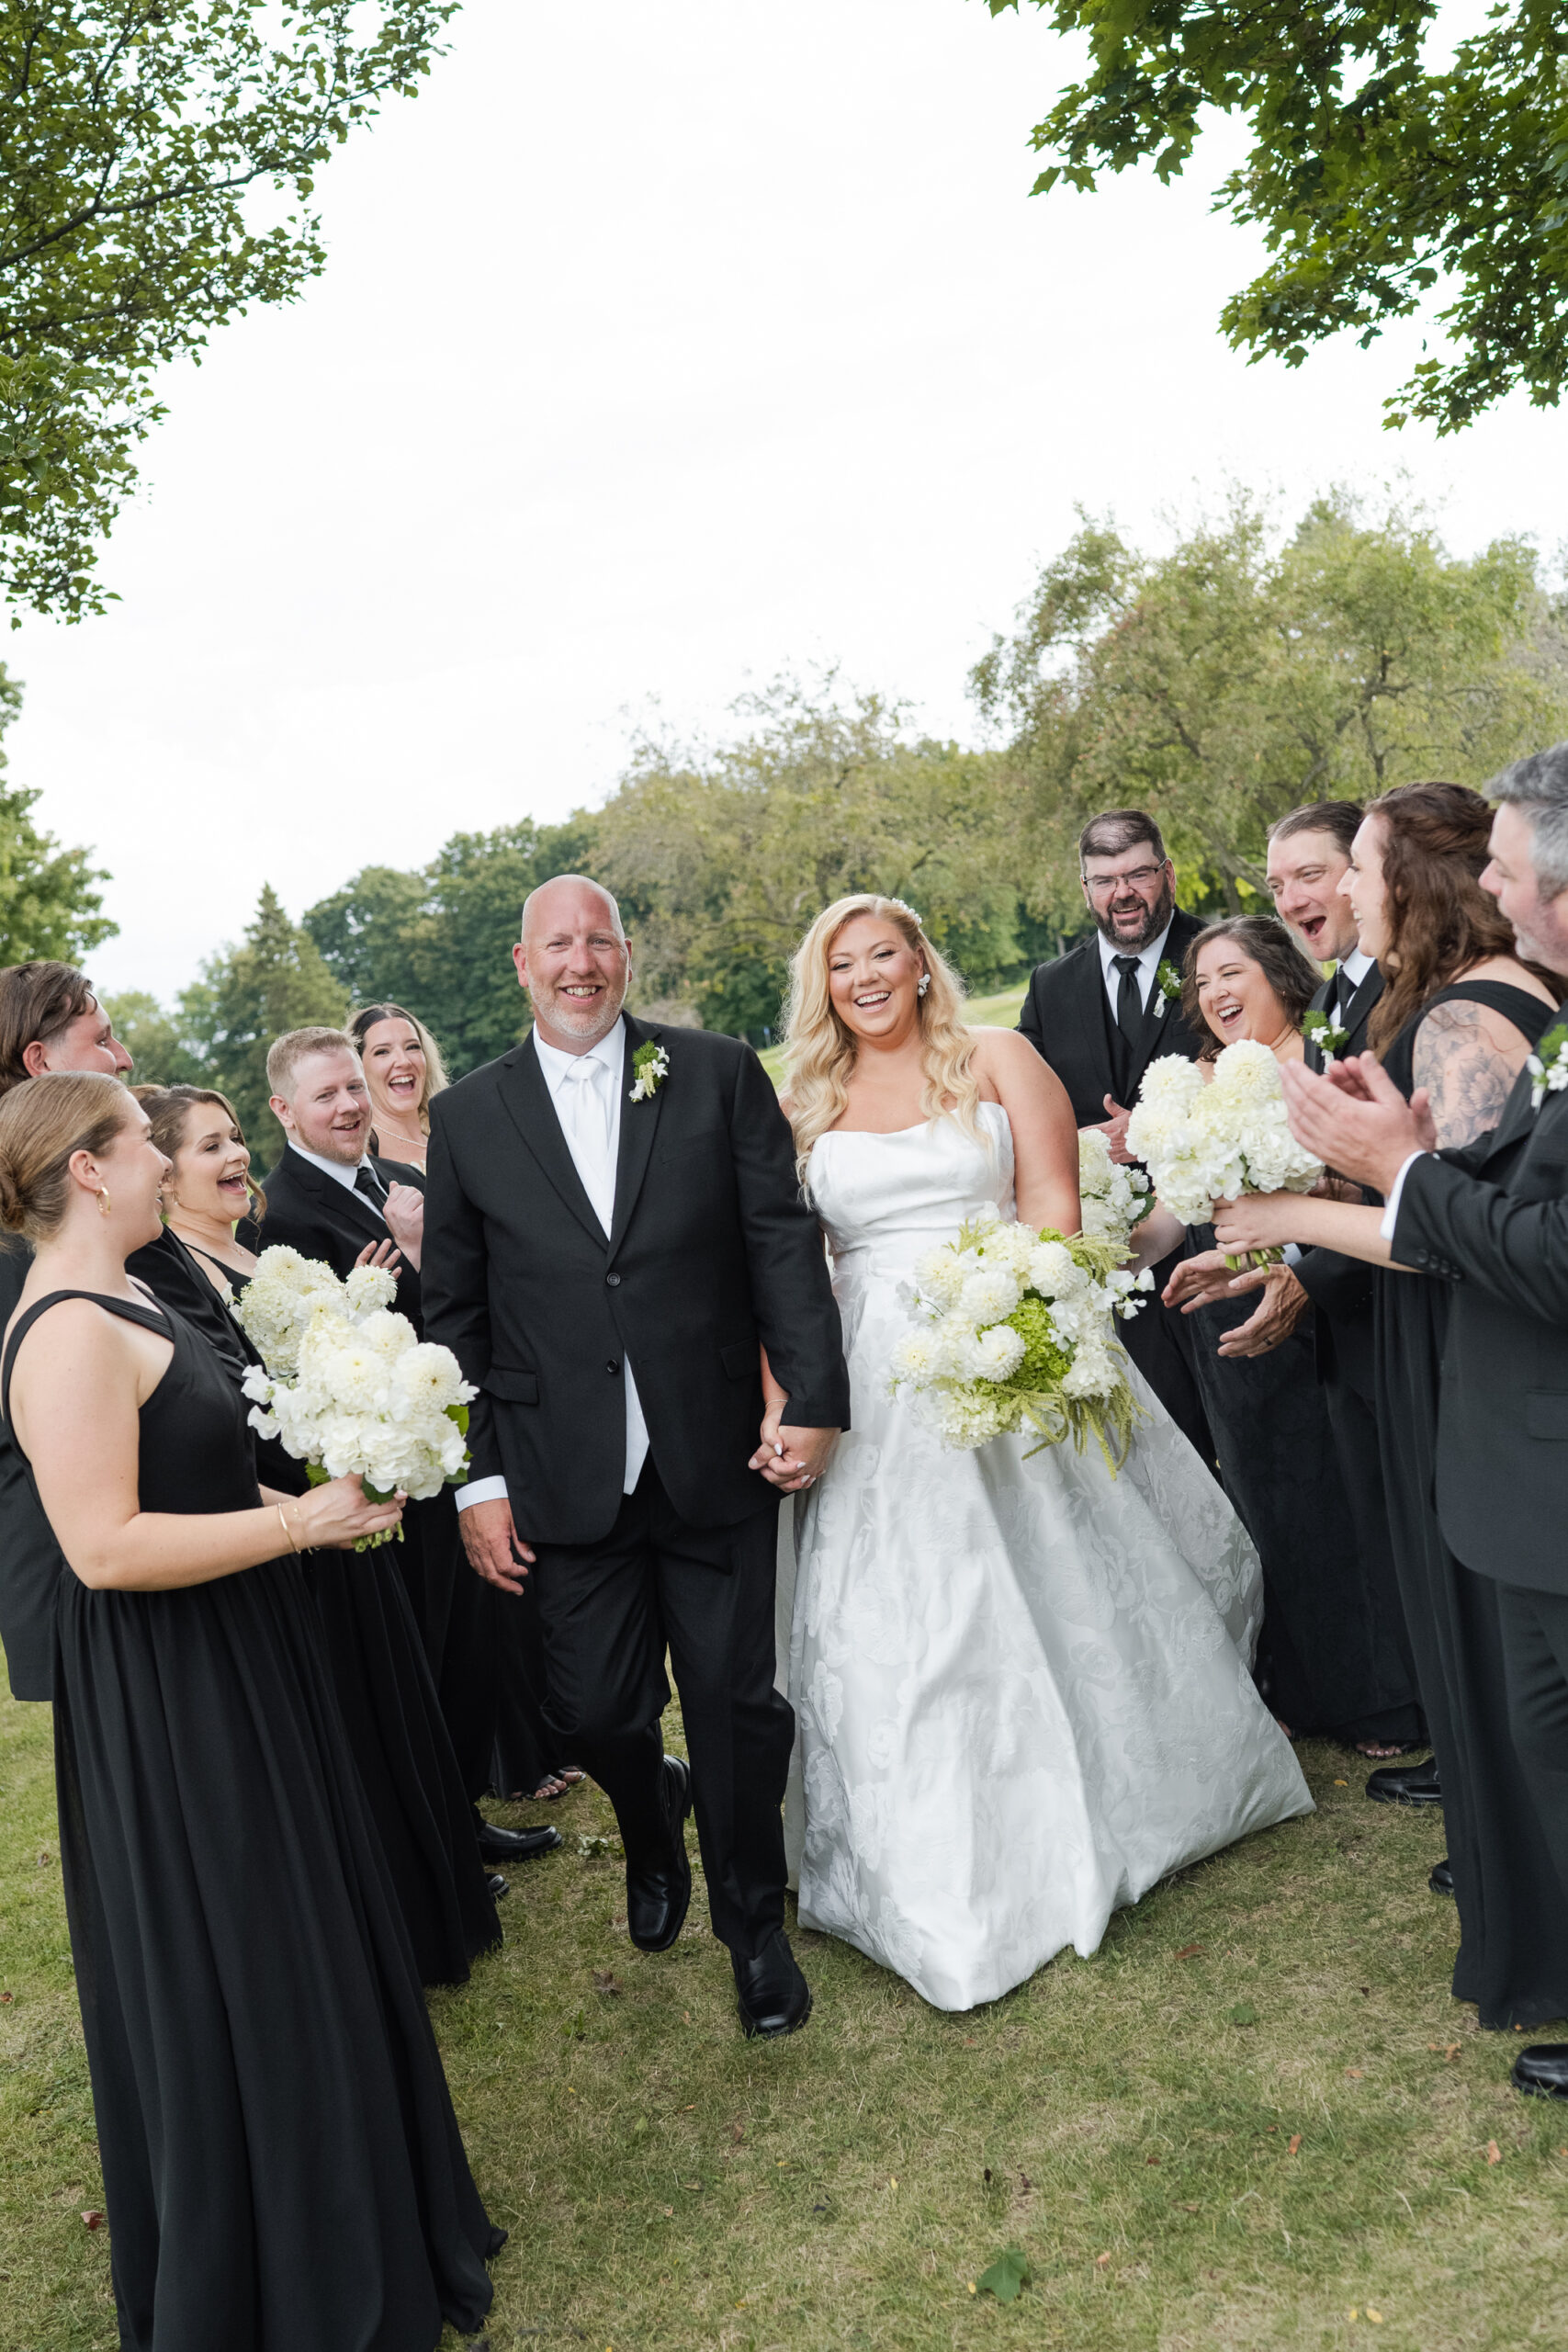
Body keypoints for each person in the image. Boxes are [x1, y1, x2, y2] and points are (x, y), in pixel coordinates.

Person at [0, 1072, 502, 2349]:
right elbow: (102, 1549)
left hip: (241, 1651)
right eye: (138, 1144)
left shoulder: (131, 1288)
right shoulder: (62, 1328)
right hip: (171, 1696)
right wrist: (300, 1524)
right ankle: (295, 2282)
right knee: (253, 1965)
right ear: (87, 1171)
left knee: (312, 1936)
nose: (164, 1167)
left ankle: (367, 2223)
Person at [782, 893, 1310, 2013]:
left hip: (1005, 1340)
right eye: (844, 965)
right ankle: (923, 1859)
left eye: (886, 954)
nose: (868, 978)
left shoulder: (1000, 1056)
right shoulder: (805, 1099)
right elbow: (800, 1262)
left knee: (1051, 1585)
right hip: (873, 1372)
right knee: (907, 1612)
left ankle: (1119, 1800)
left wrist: (1009, 1332)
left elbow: (1053, 1214)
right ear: (822, 986)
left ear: (923, 963)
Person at [422, 875, 850, 2041]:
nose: (579, 962)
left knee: (732, 1705)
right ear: (521, 963)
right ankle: (650, 1815)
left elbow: (780, 1243)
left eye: (597, 940)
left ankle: (751, 1931)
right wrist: (481, 1477)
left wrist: (810, 1395)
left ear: (625, 954)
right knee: (596, 1709)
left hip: (715, 1457)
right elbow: (453, 1315)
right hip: (561, 1473)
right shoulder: (468, 1117)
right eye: (556, 944)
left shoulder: (713, 1072)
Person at [1211, 782, 1566, 2031]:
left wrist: (1294, 1217)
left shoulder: (1473, 1017)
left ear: (1407, 879)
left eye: (1353, 868)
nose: (1340, 892)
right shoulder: (1433, 1003)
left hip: (1482, 1361)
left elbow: (1458, 1233)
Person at [127, 1082, 504, 1983]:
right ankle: (396, 1922)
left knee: (395, 1696)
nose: (235, 1158)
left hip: (347, 1500)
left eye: (234, 1140)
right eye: (209, 1146)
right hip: (295, 1520)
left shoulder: (254, 1249)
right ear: (165, 1171)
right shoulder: (174, 1270)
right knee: (351, 1723)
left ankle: (440, 1877)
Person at [256, 1030, 557, 1878]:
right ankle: (438, 1841)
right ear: (284, 1110)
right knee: (424, 1655)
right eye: (327, 1096)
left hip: (447, 1454)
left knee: (467, 1647)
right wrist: (399, 1274)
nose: (352, 1105)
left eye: (354, 1088)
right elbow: (314, 1353)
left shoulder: (395, 1183)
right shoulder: (285, 1216)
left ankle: (463, 1815)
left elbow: (469, 1292)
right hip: (381, 1478)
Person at [1138, 916, 1421, 1751]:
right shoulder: (1202, 1081)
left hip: (1322, 1310)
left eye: (1233, 973)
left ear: (1277, 975)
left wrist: (1293, 1260)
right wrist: (1100, 1250)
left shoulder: (1320, 1062)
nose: (1216, 993)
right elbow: (1173, 1213)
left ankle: (1383, 1699)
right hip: (1222, 1312)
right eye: (1201, 982)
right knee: (1268, 1505)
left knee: (1335, 1504)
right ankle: (1304, 1685)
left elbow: (1363, 1199)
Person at [349, 1001, 580, 1804]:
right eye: (381, 1051)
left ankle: (560, 1724)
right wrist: (410, 1247)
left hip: (524, 1349)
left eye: (411, 1043)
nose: (400, 1061)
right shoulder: (373, 1168)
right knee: (493, 1563)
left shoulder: (460, 1126)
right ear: (361, 1070)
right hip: (447, 1380)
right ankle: (517, 1753)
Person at [1017, 809, 1213, 1460]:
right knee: (1151, 1453)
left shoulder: (1221, 954)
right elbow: (1022, 1105)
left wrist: (1158, 1127)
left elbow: (1271, 1063)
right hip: (1107, 1260)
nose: (1121, 893)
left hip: (1216, 1244)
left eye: (1137, 874)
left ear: (1167, 876)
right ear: (1085, 889)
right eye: (1104, 880)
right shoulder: (1050, 986)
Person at [0, 965, 132, 1702]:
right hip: (82, 1577)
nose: (124, 1057)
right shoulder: (22, 1227)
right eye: (103, 1038)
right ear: (40, 1062)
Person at [350, 1001, 448, 1173]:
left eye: (412, 1047)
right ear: (358, 1067)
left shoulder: (453, 1139)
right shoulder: (356, 1156)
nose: (403, 1061)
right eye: (382, 1052)